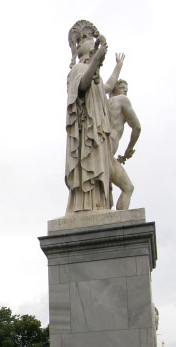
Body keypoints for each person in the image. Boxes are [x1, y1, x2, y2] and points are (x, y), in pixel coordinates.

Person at [65, 20, 124, 214]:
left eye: (91, 37)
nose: (88, 41)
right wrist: (97, 58)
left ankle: (99, 204)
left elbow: (107, 87)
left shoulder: (94, 72)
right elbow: (82, 85)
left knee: (101, 169)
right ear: (78, 47)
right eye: (84, 39)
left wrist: (118, 67)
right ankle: (85, 206)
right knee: (89, 168)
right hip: (87, 134)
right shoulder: (77, 69)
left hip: (99, 131)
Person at [107, 79, 141, 210]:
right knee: (128, 188)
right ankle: (121, 223)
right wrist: (129, 150)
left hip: (101, 152)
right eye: (121, 87)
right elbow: (137, 127)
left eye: (126, 88)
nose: (125, 90)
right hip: (108, 151)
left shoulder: (102, 104)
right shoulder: (122, 100)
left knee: (106, 195)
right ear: (114, 90)